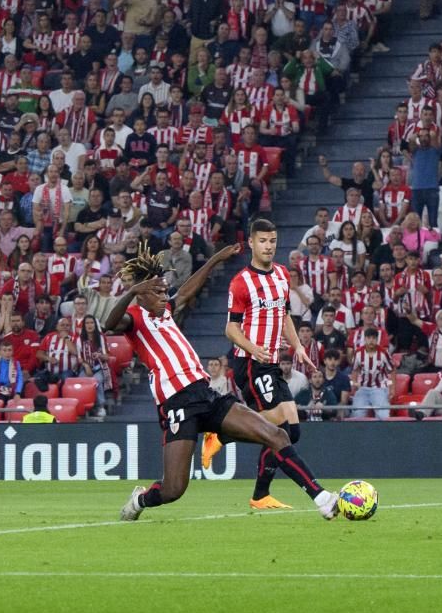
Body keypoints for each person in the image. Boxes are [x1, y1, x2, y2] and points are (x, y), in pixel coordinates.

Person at [107, 241, 336, 522]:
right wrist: (130, 291)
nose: (164, 294)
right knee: (173, 489)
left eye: (165, 288)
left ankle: (323, 499)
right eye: (157, 290)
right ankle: (141, 499)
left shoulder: (165, 310)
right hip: (177, 402)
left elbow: (189, 289)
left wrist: (216, 258)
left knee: (277, 434)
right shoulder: (133, 318)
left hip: (206, 393)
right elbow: (108, 323)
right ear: (142, 294)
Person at [222, 217, 325, 510]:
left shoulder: (281, 274)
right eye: (263, 241)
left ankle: (259, 494)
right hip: (250, 363)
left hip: (271, 362)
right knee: (279, 430)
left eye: (273, 241)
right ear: (252, 243)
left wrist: (297, 347)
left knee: (291, 432)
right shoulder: (241, 282)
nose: (269, 247)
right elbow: (231, 329)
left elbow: (282, 317)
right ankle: (224, 434)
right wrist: (255, 348)